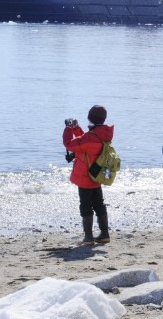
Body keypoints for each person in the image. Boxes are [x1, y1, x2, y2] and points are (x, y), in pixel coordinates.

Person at [63, 105, 114, 245]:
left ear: (90, 118)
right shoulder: (103, 134)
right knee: (99, 204)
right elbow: (85, 139)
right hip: (97, 175)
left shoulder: (91, 137)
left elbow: (70, 144)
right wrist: (76, 128)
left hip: (85, 177)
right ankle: (104, 234)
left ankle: (88, 237)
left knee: (85, 206)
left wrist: (68, 128)